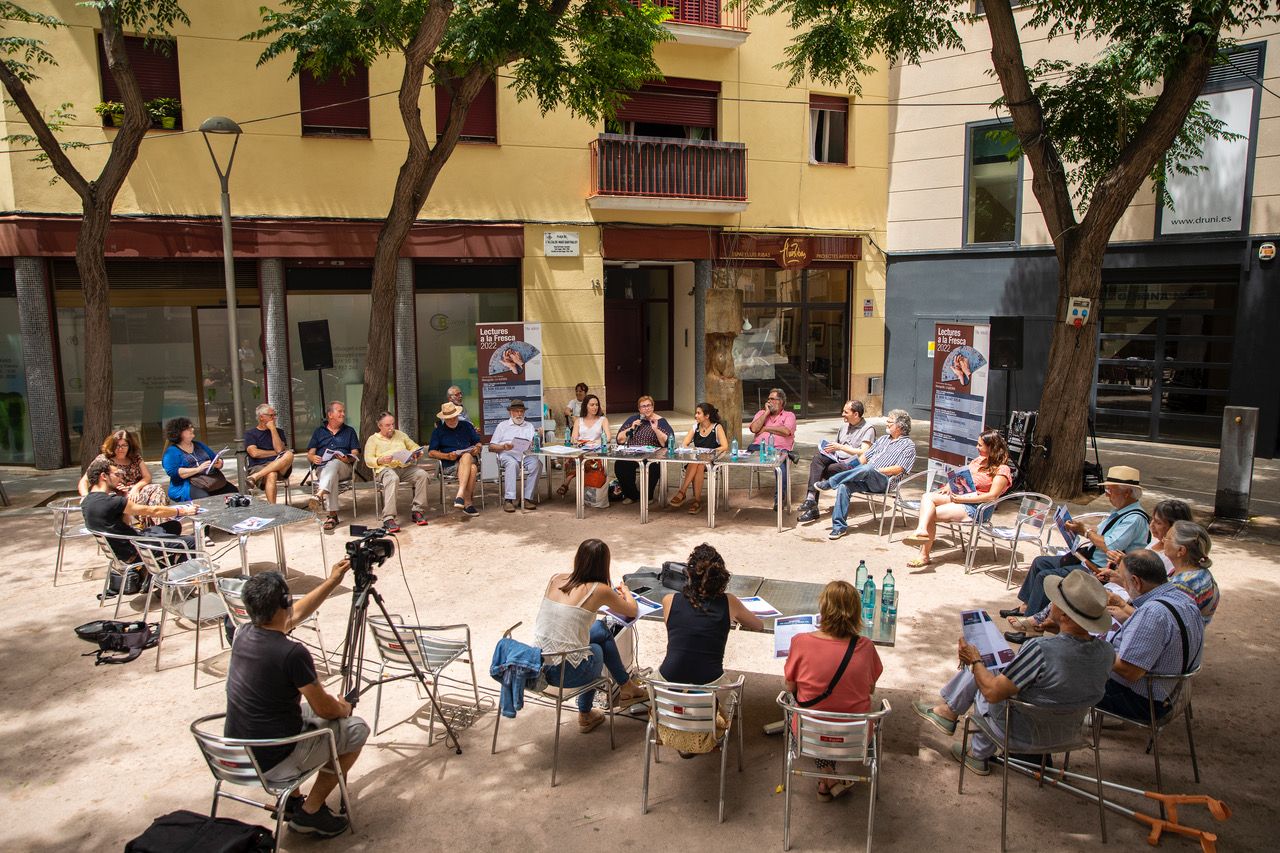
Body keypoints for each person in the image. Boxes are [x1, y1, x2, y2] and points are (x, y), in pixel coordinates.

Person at [912, 570, 1116, 776]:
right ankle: (952, 718)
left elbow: (992, 693)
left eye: (1054, 601)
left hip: (1021, 731)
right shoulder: (1107, 652)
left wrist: (974, 660)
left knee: (984, 663)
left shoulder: (1041, 649)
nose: (1050, 604)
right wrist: (1059, 631)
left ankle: (971, 744)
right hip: (1067, 733)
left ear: (1064, 614)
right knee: (995, 664)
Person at [224, 561, 368, 838]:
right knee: (355, 728)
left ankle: (292, 801)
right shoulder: (291, 653)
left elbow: (295, 615)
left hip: (237, 755)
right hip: (272, 761)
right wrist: (344, 707)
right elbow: (326, 709)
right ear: (284, 603)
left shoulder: (243, 633)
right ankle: (311, 812)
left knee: (296, 711)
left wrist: (332, 581)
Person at [1006, 499, 1192, 642]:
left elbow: (1142, 584)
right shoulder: (1149, 538)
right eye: (1153, 520)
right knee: (1042, 563)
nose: (1152, 526)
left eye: (1158, 523)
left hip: (1114, 582)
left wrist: (1090, 536)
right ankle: (1031, 613)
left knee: (1062, 584)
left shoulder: (1164, 550)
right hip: (1112, 576)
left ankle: (1037, 624)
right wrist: (1117, 573)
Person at [1003, 466, 1148, 620]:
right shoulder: (1120, 511)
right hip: (1088, 559)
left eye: (1110, 490)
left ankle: (1032, 622)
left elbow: (1110, 546)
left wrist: (1085, 532)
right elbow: (1102, 532)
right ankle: (1027, 606)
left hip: (1099, 569)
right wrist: (1079, 528)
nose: (1107, 495)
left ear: (1127, 492)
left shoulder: (1134, 518)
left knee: (1046, 576)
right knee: (1040, 562)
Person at [533, 539, 648, 733]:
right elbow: (631, 610)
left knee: (600, 630)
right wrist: (626, 591)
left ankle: (626, 686)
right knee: (596, 649)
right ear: (604, 564)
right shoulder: (599, 589)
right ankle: (585, 713)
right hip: (562, 674)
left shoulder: (556, 578)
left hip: (537, 663)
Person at [784, 580, 884, 799]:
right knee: (834, 711)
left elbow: (790, 686)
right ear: (856, 612)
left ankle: (827, 776)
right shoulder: (866, 647)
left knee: (804, 707)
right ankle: (828, 776)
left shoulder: (800, 642)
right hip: (855, 738)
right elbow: (870, 689)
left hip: (808, 735)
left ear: (823, 609)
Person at [1095, 549, 1204, 721]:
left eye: (1123, 580)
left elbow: (1129, 671)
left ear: (1136, 582)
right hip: (1175, 693)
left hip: (1144, 703)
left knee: (1071, 669)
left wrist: (1090, 646)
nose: (1123, 585)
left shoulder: (1153, 613)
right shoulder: (1184, 599)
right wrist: (1129, 619)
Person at [902, 429, 1011, 567]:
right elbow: (962, 476)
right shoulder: (978, 460)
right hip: (963, 496)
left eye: (980, 445)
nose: (977, 447)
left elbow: (992, 496)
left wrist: (963, 500)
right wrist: (949, 485)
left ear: (991, 447)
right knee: (927, 497)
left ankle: (924, 555)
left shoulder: (1002, 469)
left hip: (978, 507)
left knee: (930, 514)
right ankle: (921, 529)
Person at [659, 543, 763, 684]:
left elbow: (680, 630)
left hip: (667, 682)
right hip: (710, 686)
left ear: (688, 574)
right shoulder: (729, 602)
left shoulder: (669, 600)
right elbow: (758, 625)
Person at [82, 456, 197, 564]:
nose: (120, 478)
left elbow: (125, 524)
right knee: (192, 542)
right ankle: (176, 574)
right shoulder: (112, 501)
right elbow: (153, 511)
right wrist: (182, 511)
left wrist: (123, 497)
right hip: (137, 548)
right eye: (117, 474)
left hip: (122, 550)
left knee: (173, 526)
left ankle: (165, 565)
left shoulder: (86, 502)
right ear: (104, 476)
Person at [825, 409, 917, 540]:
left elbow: (899, 469)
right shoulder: (883, 439)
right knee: (844, 486)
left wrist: (875, 470)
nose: (886, 424)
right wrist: (852, 468)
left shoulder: (908, 446)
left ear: (900, 426)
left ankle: (830, 482)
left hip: (884, 482)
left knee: (868, 468)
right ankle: (839, 527)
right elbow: (865, 457)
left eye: (890, 422)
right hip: (866, 478)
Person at [1110, 521, 1219, 626]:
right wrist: (1122, 580)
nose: (1163, 540)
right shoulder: (1196, 571)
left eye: (1167, 538)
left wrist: (1122, 605)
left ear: (1181, 550)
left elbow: (1156, 621)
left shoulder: (1182, 586)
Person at [798, 400, 876, 524]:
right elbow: (837, 447)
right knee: (817, 459)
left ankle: (812, 508)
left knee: (819, 471)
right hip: (837, 459)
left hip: (852, 467)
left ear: (856, 414)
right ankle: (810, 498)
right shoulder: (844, 427)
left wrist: (840, 447)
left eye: (846, 412)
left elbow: (863, 452)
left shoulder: (868, 429)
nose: (842, 414)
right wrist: (829, 449)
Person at [77, 429, 169, 527]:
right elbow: (84, 481)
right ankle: (158, 527)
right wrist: (85, 497)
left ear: (130, 446)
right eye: (117, 445)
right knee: (150, 499)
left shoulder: (135, 458)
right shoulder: (104, 460)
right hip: (115, 495)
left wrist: (136, 488)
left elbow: (147, 477)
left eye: (124, 445)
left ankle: (159, 526)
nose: (121, 449)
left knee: (156, 490)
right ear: (112, 446)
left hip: (135, 492)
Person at [363, 411, 430, 531]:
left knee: (422, 475)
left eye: (393, 424)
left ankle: (418, 511)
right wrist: (380, 460)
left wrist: (417, 452)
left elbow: (414, 446)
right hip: (385, 469)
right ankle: (388, 518)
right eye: (387, 425)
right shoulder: (373, 439)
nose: (391, 428)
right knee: (393, 478)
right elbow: (368, 460)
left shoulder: (400, 435)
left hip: (404, 467)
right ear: (380, 426)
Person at [306, 402, 361, 532]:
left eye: (343, 411)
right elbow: (310, 453)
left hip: (344, 467)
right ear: (330, 415)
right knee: (332, 473)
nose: (343, 414)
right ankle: (332, 516)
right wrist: (313, 458)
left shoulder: (349, 431)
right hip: (322, 469)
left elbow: (355, 452)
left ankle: (320, 494)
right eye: (340, 411)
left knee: (334, 463)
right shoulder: (319, 432)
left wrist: (348, 458)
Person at [669, 402, 729, 514]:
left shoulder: (717, 427)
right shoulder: (695, 427)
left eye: (698, 413)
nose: (695, 415)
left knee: (700, 463)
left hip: (711, 460)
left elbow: (725, 446)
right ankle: (697, 501)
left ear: (707, 416)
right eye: (696, 413)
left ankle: (682, 492)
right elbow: (685, 443)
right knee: (698, 463)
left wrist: (709, 452)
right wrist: (693, 450)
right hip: (697, 460)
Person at [161, 416, 237, 500]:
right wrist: (198, 469)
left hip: (210, 481)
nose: (192, 429)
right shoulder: (171, 452)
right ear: (179, 433)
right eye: (188, 428)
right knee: (204, 499)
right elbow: (174, 473)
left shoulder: (199, 445)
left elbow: (215, 458)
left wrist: (219, 463)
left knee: (234, 493)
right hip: (187, 485)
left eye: (191, 427)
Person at [614, 395, 673, 504]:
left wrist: (656, 429)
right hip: (633, 453)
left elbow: (668, 443)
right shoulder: (633, 419)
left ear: (653, 407)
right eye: (643, 406)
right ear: (639, 409)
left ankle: (647, 495)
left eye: (649, 405)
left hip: (652, 455)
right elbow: (619, 439)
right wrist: (631, 428)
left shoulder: (661, 421)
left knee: (654, 466)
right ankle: (632, 495)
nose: (646, 408)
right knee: (620, 464)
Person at [428, 401, 483, 516]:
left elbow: (478, 442)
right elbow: (431, 452)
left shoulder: (467, 426)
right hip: (450, 464)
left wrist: (477, 448)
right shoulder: (438, 431)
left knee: (466, 455)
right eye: (449, 419)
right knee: (472, 469)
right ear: (444, 418)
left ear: (457, 415)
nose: (452, 420)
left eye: (454, 417)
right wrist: (447, 456)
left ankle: (460, 494)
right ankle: (468, 503)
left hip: (469, 457)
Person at [489, 399, 541, 512]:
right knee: (512, 464)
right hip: (508, 454)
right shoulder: (502, 426)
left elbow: (534, 445)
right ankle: (509, 499)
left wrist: (536, 439)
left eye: (521, 411)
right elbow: (491, 447)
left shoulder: (529, 426)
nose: (519, 414)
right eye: (516, 411)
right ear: (510, 412)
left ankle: (526, 498)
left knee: (537, 464)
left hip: (525, 455)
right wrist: (504, 447)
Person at [748, 387, 797, 506]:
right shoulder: (761, 413)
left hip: (780, 450)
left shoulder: (789, 415)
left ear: (781, 401)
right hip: (758, 449)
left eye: (772, 399)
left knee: (781, 465)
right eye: (768, 399)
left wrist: (765, 428)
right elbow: (754, 428)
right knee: (744, 453)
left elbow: (786, 431)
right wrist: (766, 413)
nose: (769, 401)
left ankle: (779, 499)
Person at [557, 393, 609, 498]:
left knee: (582, 459)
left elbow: (607, 437)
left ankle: (567, 482)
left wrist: (595, 442)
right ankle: (570, 481)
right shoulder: (578, 421)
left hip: (596, 451)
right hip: (582, 449)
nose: (595, 407)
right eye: (592, 405)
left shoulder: (603, 420)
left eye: (596, 405)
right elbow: (574, 438)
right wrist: (582, 442)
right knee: (576, 457)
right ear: (586, 406)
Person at [244, 404, 295, 504]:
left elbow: (279, 450)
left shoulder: (279, 432)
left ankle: (255, 477)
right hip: (259, 466)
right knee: (272, 474)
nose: (274, 418)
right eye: (271, 415)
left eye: (275, 415)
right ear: (261, 417)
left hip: (280, 466)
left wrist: (272, 429)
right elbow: (254, 453)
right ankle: (272, 507)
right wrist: (274, 453)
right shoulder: (250, 434)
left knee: (289, 454)